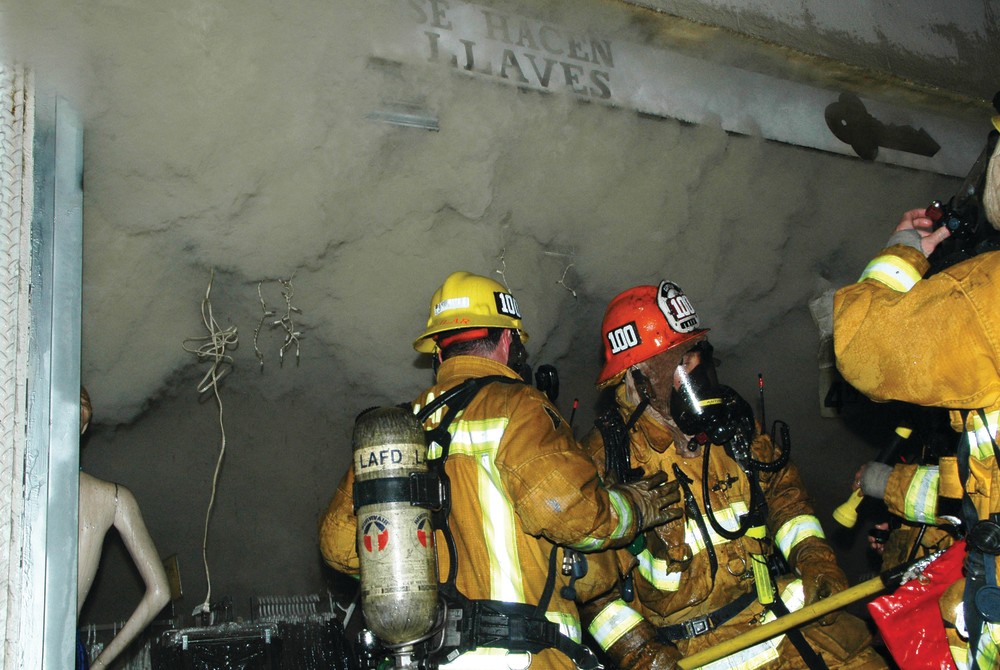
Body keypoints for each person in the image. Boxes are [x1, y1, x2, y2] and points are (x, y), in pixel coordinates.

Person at [318, 271, 682, 670]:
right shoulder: (519, 406)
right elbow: (573, 514)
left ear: (437, 354)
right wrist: (632, 506)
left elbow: (339, 546)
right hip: (522, 659)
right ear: (509, 342)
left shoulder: (396, 434)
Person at [579, 281, 885, 670]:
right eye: (683, 362)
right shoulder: (602, 462)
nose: (699, 373)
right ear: (640, 377)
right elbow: (593, 592)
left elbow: (784, 496)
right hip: (696, 653)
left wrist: (815, 559)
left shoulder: (731, 427)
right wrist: (642, 656)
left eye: (698, 357)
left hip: (778, 617)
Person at [835, 117, 1000, 670]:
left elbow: (862, 344)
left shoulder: (987, 298)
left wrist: (904, 250)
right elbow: (977, 479)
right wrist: (890, 484)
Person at [78, 387, 171, 670]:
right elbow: (160, 592)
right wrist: (100, 664)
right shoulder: (113, 497)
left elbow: (161, 593)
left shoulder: (114, 498)